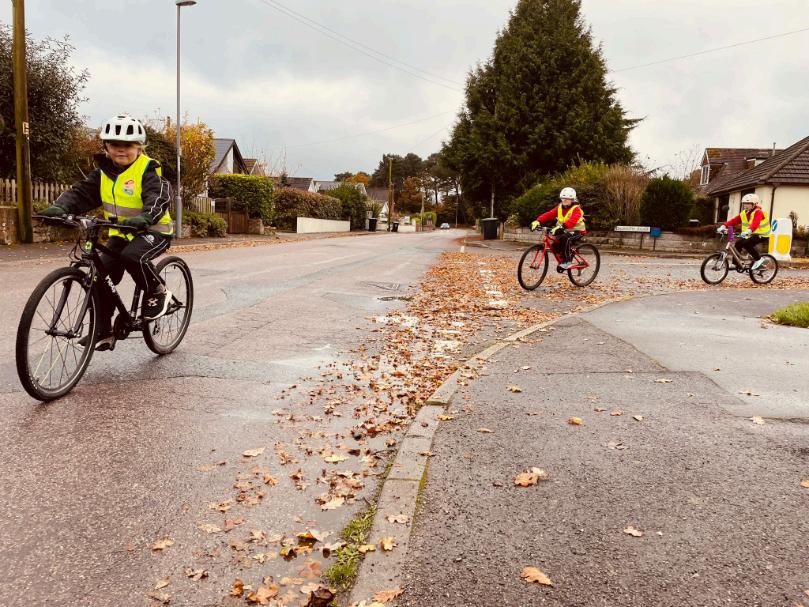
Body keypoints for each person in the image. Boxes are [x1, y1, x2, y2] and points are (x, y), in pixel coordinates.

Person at [41, 114, 174, 350]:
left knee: (132, 256)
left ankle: (157, 290)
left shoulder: (149, 170)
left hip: (154, 229)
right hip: (122, 233)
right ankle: (103, 331)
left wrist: (145, 217)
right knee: (100, 275)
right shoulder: (102, 173)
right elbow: (81, 193)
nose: (121, 150)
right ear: (106, 147)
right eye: (115, 144)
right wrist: (60, 208)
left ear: (139, 147)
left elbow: (158, 197)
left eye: (128, 145)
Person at [531, 187, 586, 270]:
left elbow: (572, 221)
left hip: (577, 230)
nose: (564, 200)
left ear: (572, 199)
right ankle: (563, 260)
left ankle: (567, 261)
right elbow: (549, 214)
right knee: (555, 246)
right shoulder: (560, 207)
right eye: (563, 198)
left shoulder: (576, 209)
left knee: (565, 239)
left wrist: (562, 226)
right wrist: (538, 221)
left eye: (567, 198)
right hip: (565, 230)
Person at [716, 193, 770, 270]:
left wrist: (749, 230)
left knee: (747, 244)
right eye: (744, 203)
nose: (745, 205)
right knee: (738, 243)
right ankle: (736, 264)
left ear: (754, 204)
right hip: (751, 234)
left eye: (748, 204)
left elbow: (755, 223)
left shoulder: (758, 212)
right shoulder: (744, 213)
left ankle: (759, 260)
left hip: (762, 234)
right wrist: (724, 226)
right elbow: (734, 221)